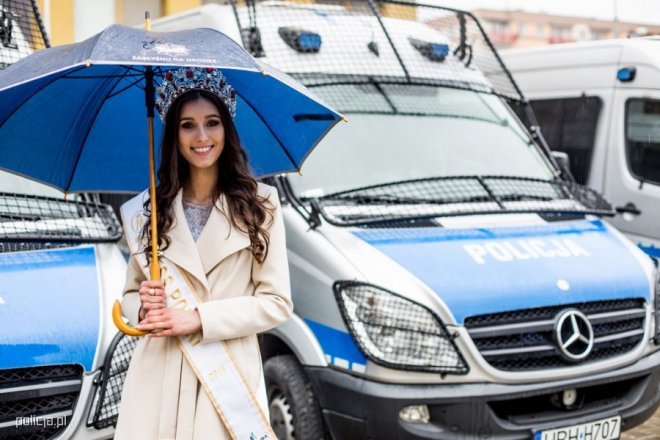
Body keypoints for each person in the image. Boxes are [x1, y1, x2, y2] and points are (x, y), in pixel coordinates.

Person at [114, 66, 293, 440]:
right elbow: (130, 298)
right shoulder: (148, 211)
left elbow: (277, 302)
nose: (201, 137)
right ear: (173, 136)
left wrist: (198, 317)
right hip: (157, 376)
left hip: (225, 378)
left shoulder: (262, 206)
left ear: (226, 129)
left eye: (212, 123)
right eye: (187, 125)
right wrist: (145, 307)